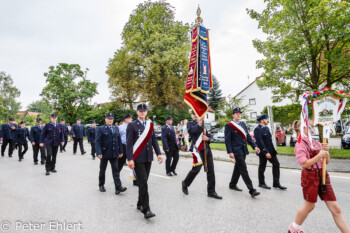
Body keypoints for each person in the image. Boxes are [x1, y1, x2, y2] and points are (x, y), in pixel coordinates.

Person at [288, 120, 350, 233]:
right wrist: (320, 155)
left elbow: (326, 162)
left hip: (323, 175)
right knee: (309, 206)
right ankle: (293, 228)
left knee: (336, 208)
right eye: (311, 126)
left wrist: (326, 152)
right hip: (310, 176)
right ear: (304, 128)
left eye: (313, 126)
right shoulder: (300, 144)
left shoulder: (316, 142)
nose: (314, 128)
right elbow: (304, 163)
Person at [126, 103, 163, 219]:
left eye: (144, 111)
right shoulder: (132, 125)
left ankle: (139, 203)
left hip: (148, 158)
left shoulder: (149, 125)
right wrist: (130, 159)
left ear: (146, 112)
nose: (142, 112)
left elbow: (154, 141)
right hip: (138, 159)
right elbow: (129, 143)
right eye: (140, 111)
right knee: (143, 183)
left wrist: (159, 154)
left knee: (144, 181)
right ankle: (146, 210)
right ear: (137, 112)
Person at [182, 111, 222, 200]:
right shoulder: (190, 123)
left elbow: (208, 136)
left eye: (197, 113)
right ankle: (185, 183)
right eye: (194, 113)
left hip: (206, 149)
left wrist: (208, 138)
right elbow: (192, 131)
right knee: (197, 168)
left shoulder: (204, 124)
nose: (196, 115)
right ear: (191, 115)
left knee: (210, 170)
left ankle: (211, 191)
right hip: (197, 150)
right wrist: (199, 122)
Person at [224, 107, 261, 197]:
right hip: (236, 151)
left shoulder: (243, 124)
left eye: (239, 113)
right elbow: (227, 140)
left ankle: (232, 184)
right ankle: (251, 190)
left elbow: (248, 137)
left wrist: (254, 146)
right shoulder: (229, 125)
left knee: (238, 168)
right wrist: (230, 151)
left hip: (243, 150)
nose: (238, 114)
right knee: (243, 169)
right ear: (233, 115)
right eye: (236, 113)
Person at [95, 113, 127, 195]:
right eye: (108, 118)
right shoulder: (101, 128)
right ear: (105, 119)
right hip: (104, 153)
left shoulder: (116, 128)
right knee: (102, 170)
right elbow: (97, 142)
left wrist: (120, 151)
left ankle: (118, 187)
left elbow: (119, 140)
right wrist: (98, 152)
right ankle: (101, 185)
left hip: (114, 153)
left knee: (116, 170)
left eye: (111, 119)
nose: (110, 120)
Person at [254, 114, 287, 190]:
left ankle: (276, 183)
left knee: (276, 164)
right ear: (262, 120)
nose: (267, 120)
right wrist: (266, 152)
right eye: (266, 119)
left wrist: (273, 150)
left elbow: (270, 141)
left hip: (270, 150)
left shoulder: (266, 128)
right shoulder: (257, 129)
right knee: (262, 166)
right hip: (263, 152)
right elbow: (260, 142)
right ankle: (261, 183)